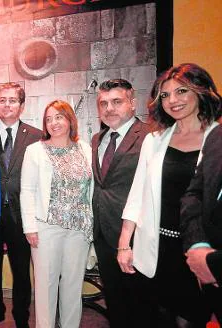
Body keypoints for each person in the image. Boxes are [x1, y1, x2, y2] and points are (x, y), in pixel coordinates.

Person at [118, 63, 221, 326]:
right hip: (155, 248)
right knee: (156, 319)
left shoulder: (217, 139)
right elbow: (137, 192)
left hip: (198, 251)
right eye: (165, 95)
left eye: (181, 91)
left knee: (191, 320)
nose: (172, 100)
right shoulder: (154, 140)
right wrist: (124, 244)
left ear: (201, 92)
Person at [20, 100, 93, 328]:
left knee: (72, 287)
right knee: (45, 287)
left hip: (79, 230)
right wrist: (29, 227)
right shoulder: (35, 150)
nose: (54, 123)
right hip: (46, 228)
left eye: (59, 117)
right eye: (49, 119)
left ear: (70, 119)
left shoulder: (85, 149)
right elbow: (27, 190)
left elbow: (92, 188)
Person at [0, 83, 42, 328]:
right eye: (2, 100)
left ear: (22, 105)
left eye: (12, 100)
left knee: (21, 269)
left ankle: (21, 316)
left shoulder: (36, 136)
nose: (7, 104)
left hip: (21, 215)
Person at [91, 79, 152, 327]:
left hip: (137, 235)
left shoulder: (150, 136)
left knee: (143, 304)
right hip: (104, 235)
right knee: (115, 302)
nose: (109, 108)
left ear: (132, 103)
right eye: (103, 103)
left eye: (117, 101)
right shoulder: (97, 139)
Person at [181, 124, 222, 321]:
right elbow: (194, 194)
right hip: (205, 266)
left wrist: (213, 263)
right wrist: (198, 244)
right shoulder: (217, 135)